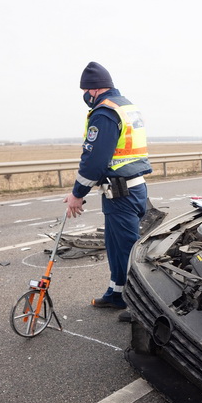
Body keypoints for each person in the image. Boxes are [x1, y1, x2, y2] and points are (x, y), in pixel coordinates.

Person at [64, 62, 152, 310]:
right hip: (131, 188)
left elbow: (94, 162)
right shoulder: (126, 106)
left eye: (85, 91)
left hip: (121, 191)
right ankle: (116, 293)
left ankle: (139, 307)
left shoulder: (104, 113)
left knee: (126, 250)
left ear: (93, 90)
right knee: (116, 247)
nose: (85, 96)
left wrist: (77, 194)